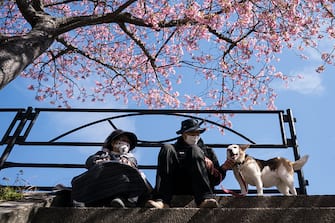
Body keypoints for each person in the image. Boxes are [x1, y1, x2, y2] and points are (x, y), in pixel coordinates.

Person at [146, 118, 233, 208]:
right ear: (183, 134)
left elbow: (215, 180)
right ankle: (162, 200)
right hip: (175, 185)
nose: (195, 136)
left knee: (194, 149)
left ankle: (204, 199)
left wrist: (223, 169)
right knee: (166, 147)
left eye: (197, 133)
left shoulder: (208, 151)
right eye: (192, 133)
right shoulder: (172, 150)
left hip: (197, 188)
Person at [71, 129, 152, 207]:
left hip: (122, 183)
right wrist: (99, 160)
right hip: (104, 182)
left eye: (128, 142)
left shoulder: (130, 158)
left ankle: (124, 200)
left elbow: (133, 165)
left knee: (131, 174)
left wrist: (127, 163)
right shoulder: (102, 155)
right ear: (113, 143)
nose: (125, 143)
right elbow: (90, 162)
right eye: (123, 140)